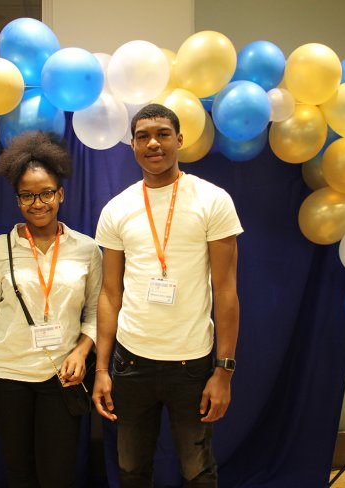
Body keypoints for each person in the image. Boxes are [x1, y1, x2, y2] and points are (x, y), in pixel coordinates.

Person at [92, 104, 243, 487]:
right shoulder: (117, 208)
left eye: (162, 133)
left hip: (191, 364)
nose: (153, 143)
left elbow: (226, 291)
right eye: (143, 136)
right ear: (132, 145)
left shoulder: (212, 200)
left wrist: (223, 372)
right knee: (131, 469)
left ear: (179, 139)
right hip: (131, 363)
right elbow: (110, 294)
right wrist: (101, 370)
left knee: (198, 471)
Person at [0, 131, 102, 487]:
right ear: (17, 199)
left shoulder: (86, 249)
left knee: (57, 474)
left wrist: (82, 351)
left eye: (46, 193)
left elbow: (96, 314)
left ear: (61, 194)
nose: (37, 203)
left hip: (61, 378)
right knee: (19, 473)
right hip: (6, 376)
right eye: (27, 195)